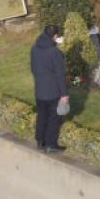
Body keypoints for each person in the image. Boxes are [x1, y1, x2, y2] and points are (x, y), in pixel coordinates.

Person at [30, 24, 68, 153]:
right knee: (53, 118)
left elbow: (33, 69)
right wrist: (64, 94)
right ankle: (51, 144)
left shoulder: (34, 48)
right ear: (55, 36)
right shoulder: (55, 52)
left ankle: (40, 140)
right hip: (52, 91)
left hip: (39, 89)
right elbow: (60, 75)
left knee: (41, 115)